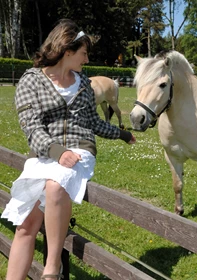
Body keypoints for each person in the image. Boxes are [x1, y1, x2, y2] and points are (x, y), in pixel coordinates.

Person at [1, 19, 136, 280]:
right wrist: (56, 151)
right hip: (45, 154)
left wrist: (121, 133)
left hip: (79, 151)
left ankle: (52, 269)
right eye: (84, 53)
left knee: (55, 186)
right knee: (26, 225)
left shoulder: (84, 84)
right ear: (67, 50)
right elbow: (31, 127)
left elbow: (93, 121)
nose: (87, 59)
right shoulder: (31, 81)